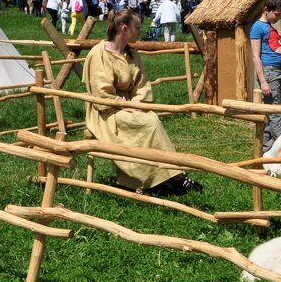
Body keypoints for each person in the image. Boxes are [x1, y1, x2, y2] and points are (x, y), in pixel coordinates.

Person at [81, 11, 203, 195]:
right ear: (124, 29)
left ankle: (160, 177)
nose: (140, 31)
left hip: (128, 106)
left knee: (150, 118)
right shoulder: (99, 54)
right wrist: (125, 104)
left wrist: (137, 102)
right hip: (106, 112)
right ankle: (173, 176)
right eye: (137, 28)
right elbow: (101, 94)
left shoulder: (131, 53)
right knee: (150, 123)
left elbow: (141, 85)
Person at [251, 0, 281, 153]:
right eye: (276, 14)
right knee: (275, 113)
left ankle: (268, 150)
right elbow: (255, 56)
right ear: (266, 9)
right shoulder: (258, 27)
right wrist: (263, 81)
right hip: (268, 72)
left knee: (273, 111)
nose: (278, 18)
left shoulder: (271, 27)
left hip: (277, 72)